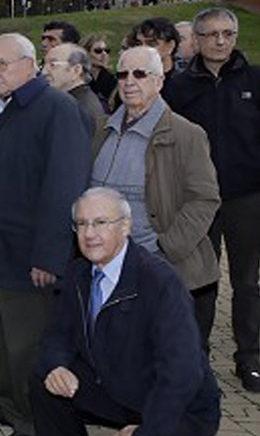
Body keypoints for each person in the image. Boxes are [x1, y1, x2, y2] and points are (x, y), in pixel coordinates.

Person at [0, 34, 91, 436]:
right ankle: (12, 408)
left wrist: (49, 257)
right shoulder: (0, 108)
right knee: (1, 346)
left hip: (29, 257)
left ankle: (34, 427)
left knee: (28, 348)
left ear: (31, 65)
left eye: (2, 66)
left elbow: (64, 189)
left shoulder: (57, 110)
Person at [31, 187, 220, 436]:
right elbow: (57, 335)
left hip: (178, 407)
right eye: (81, 224)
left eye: (100, 223)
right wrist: (56, 365)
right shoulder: (79, 273)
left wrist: (143, 435)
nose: (89, 234)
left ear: (126, 226)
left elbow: (181, 373)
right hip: (119, 389)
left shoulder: (160, 281)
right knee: (44, 378)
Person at [90, 46, 220, 349]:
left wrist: (167, 246)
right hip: (108, 268)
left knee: (165, 356)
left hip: (161, 268)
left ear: (159, 82)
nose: (129, 81)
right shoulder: (101, 130)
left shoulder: (186, 134)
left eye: (140, 74)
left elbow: (205, 198)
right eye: (122, 74)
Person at [166, 8, 260, 393]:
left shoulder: (255, 80)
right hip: (197, 200)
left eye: (227, 33)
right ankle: (195, 359)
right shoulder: (179, 87)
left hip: (246, 197)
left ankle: (250, 357)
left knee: (248, 282)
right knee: (200, 281)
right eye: (211, 35)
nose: (220, 41)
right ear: (197, 41)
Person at [42, 43, 105, 130]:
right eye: (44, 65)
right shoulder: (68, 102)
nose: (44, 72)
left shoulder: (79, 109)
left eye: (52, 65)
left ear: (76, 70)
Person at [81, 33, 115, 104]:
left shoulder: (113, 79)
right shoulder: (78, 77)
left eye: (107, 51)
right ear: (86, 53)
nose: (104, 54)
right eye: (98, 51)